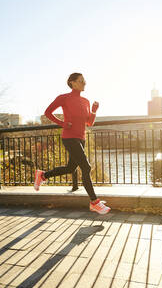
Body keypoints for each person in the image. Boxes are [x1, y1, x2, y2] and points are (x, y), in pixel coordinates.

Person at [34, 73, 110, 215]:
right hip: (69, 137)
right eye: (81, 81)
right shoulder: (64, 98)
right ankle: (94, 202)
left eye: (84, 81)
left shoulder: (86, 101)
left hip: (81, 138)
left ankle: (43, 175)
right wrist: (62, 123)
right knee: (86, 167)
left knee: (70, 168)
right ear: (72, 83)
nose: (84, 83)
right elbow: (47, 112)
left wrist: (93, 111)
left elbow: (89, 123)